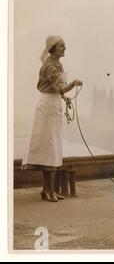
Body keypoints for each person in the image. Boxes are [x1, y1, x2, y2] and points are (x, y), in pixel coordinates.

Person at [22, 35, 83, 202]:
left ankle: (47, 189)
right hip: (47, 108)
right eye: (62, 46)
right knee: (48, 148)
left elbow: (59, 91)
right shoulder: (50, 66)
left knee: (53, 148)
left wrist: (64, 98)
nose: (65, 48)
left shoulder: (57, 64)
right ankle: (48, 190)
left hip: (53, 106)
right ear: (53, 49)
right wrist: (74, 84)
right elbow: (60, 87)